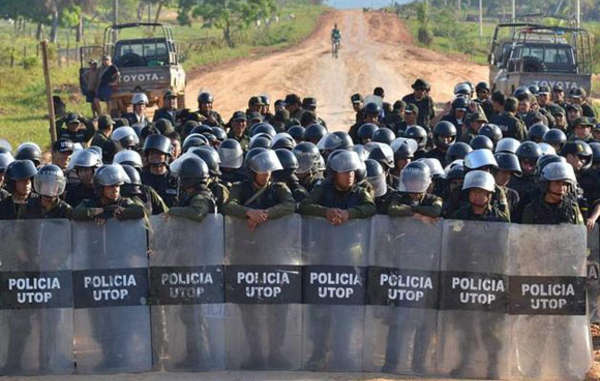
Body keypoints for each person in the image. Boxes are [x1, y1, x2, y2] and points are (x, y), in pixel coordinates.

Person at [223, 149, 295, 231]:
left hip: (273, 235)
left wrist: (265, 214)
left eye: (268, 169)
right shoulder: (239, 187)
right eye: (262, 170)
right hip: (244, 235)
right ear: (252, 172)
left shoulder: (279, 187)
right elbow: (229, 206)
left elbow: (290, 205)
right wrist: (249, 212)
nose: (266, 174)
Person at [300, 150, 375, 224]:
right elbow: (304, 206)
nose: (349, 175)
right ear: (335, 174)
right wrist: (326, 212)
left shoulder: (359, 191)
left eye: (352, 171)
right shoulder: (323, 188)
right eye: (344, 172)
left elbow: (371, 207)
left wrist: (349, 213)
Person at [72, 164, 145, 222]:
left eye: (117, 185)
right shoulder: (92, 203)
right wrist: (97, 212)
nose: (115, 189)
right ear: (101, 188)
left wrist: (120, 212)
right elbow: (76, 213)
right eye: (111, 186)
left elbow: (140, 211)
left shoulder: (124, 202)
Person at [168, 156, 216, 222]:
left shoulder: (201, 196)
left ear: (187, 180)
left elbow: (198, 213)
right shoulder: (192, 194)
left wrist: (172, 211)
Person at [141, 134, 178, 207]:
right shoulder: (141, 178)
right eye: (152, 153)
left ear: (166, 156)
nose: (154, 156)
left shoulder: (174, 179)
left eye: (159, 153)